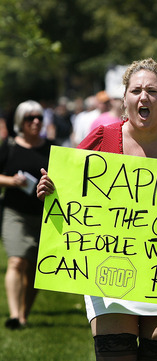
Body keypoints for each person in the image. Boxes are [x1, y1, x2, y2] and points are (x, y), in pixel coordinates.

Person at [36, 58, 157, 361]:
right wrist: (50, 188)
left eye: (153, 91)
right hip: (107, 271)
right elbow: (67, 187)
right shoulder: (102, 138)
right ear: (125, 98)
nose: (144, 97)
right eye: (136, 90)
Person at [0, 100, 54, 329]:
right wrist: (11, 181)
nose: (35, 122)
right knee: (16, 260)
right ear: (20, 121)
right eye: (30, 118)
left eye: (39, 117)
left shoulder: (51, 148)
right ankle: (14, 316)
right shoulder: (9, 145)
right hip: (15, 212)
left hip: (45, 216)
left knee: (34, 269)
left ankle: (23, 314)